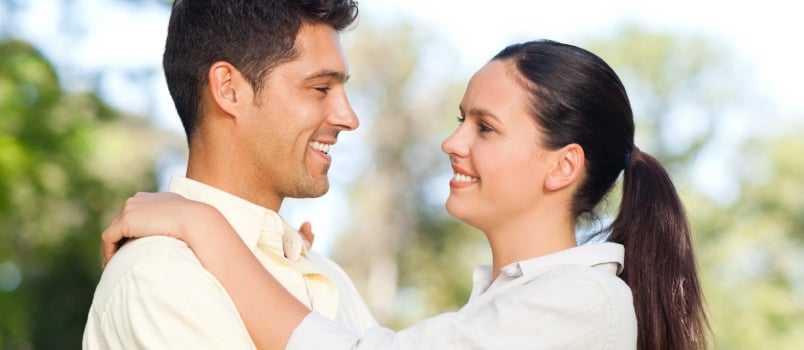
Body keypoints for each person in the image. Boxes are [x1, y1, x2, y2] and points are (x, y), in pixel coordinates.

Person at [102, 40, 709, 349]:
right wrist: (287, 265)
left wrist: (203, 225)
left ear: (561, 167)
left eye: (484, 127)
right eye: (461, 118)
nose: (452, 142)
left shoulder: (579, 301)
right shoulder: (517, 303)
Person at [82, 1, 378, 349]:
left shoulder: (331, 279)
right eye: (321, 88)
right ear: (228, 88)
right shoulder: (161, 276)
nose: (349, 117)